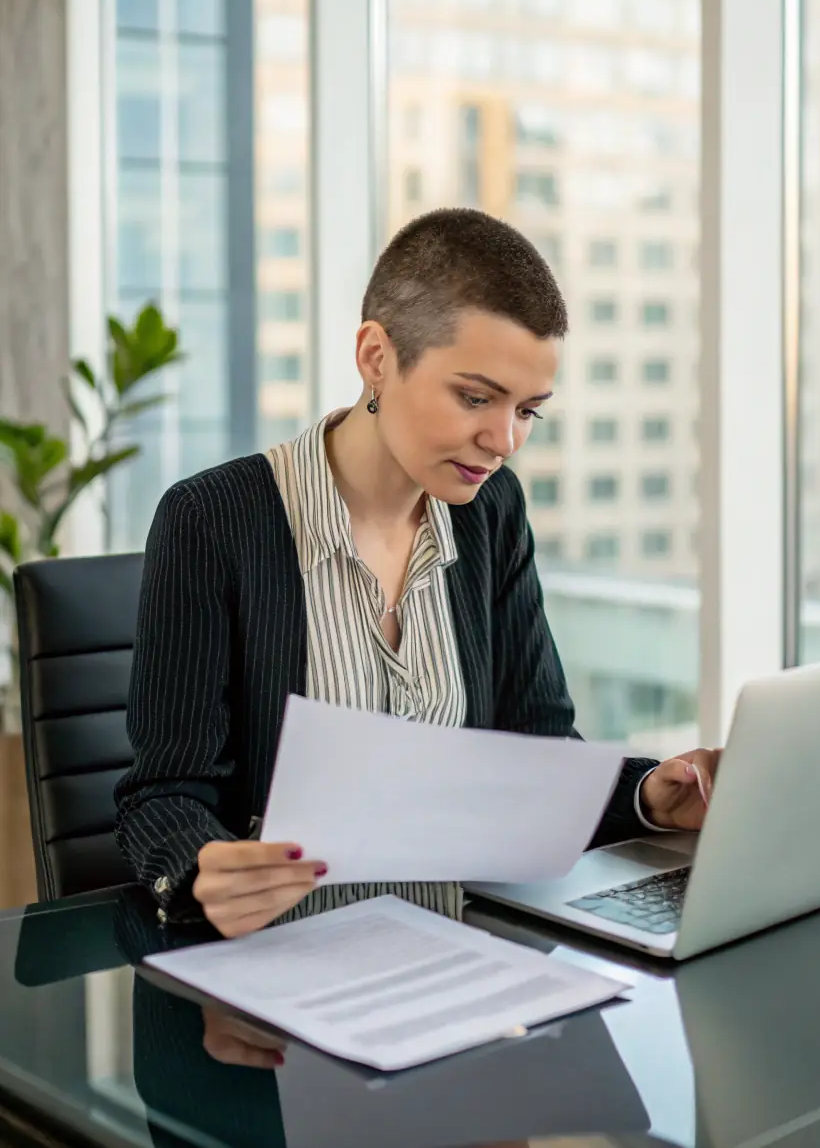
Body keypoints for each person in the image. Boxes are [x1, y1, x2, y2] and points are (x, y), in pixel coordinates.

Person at [115, 208, 721, 938]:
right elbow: (163, 793)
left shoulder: (489, 510)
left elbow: (537, 757)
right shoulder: (213, 520)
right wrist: (201, 867)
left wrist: (652, 797)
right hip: (281, 969)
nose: (503, 441)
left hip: (457, 949)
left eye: (528, 409)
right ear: (376, 355)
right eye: (475, 397)